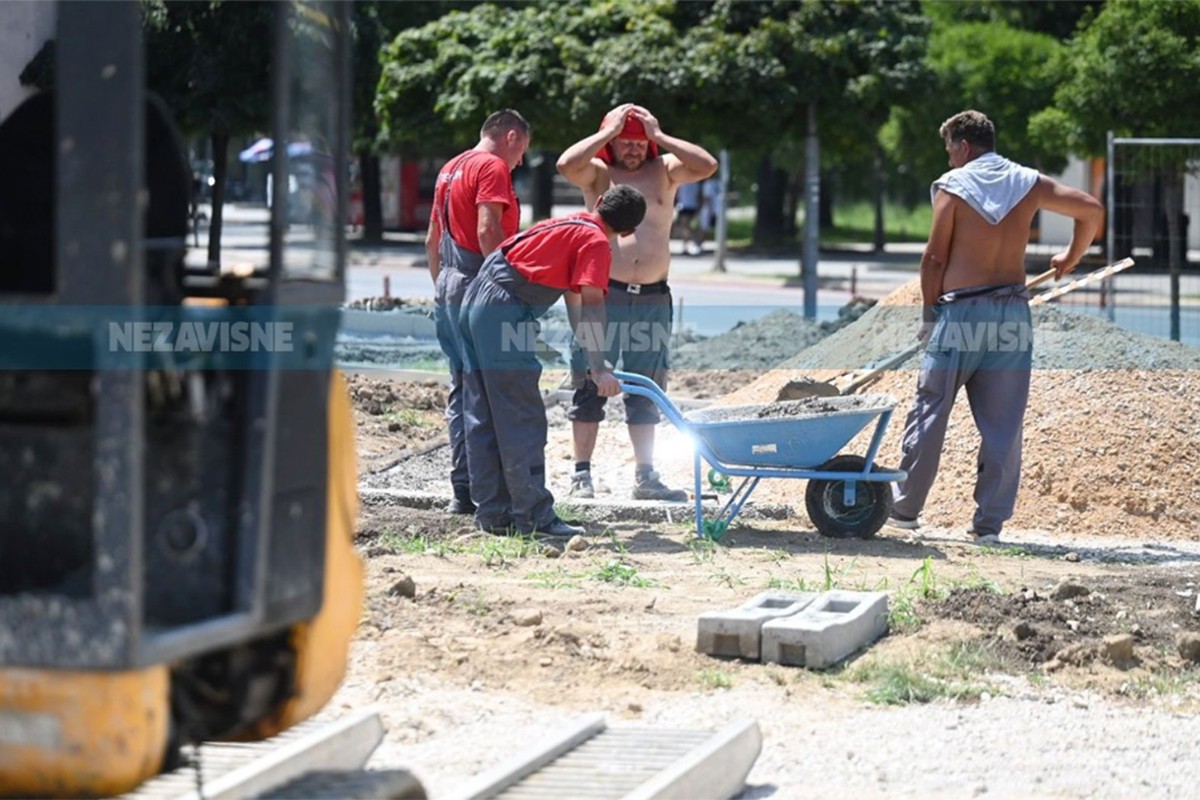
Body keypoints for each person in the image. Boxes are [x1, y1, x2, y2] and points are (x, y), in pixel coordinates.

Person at [888, 110, 1103, 544]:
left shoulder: (955, 188)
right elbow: (1091, 210)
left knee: (931, 409)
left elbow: (933, 259)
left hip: (961, 314)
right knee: (1004, 423)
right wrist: (1071, 257)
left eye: (950, 150)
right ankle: (988, 526)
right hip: (1011, 313)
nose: (949, 160)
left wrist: (930, 315)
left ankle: (905, 510)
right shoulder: (1029, 182)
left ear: (964, 146)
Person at [457, 185, 647, 537]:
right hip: (503, 307)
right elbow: (591, 305)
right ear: (628, 232)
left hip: (476, 299)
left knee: (483, 410)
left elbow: (575, 306)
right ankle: (535, 516)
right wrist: (600, 369)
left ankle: (494, 514)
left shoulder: (571, 224)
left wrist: (593, 360)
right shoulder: (595, 244)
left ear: (600, 203)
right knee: (522, 414)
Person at [556, 103, 717, 502]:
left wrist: (659, 136)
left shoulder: (664, 169)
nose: (632, 150)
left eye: (638, 143)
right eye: (625, 143)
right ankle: (581, 474)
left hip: (652, 296)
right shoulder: (598, 172)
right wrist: (607, 134)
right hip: (603, 294)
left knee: (646, 389)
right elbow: (564, 165)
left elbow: (707, 165)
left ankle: (645, 475)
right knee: (589, 384)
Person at [425, 109, 531, 516]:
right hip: (478, 286)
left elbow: (433, 240)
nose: (520, 161)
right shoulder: (491, 167)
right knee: (488, 394)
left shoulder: (450, 169)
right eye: (521, 150)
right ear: (510, 136)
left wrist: (443, 286)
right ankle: (493, 498)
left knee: (461, 391)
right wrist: (504, 288)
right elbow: (489, 230)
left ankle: (463, 488)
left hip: (449, 284)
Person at [674, 180, 702, 255]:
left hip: (684, 206)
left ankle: (687, 244)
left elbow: (677, 194)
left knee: (685, 227)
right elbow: (698, 196)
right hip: (692, 206)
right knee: (688, 227)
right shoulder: (696, 184)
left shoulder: (680, 183)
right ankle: (690, 242)